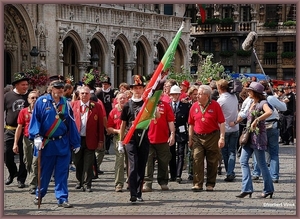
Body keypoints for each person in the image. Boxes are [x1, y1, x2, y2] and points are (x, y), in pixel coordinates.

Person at [29, 75, 81, 208]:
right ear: (51, 89)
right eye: (57, 87)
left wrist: (76, 142)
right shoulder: (42, 101)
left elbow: (71, 123)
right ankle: (39, 193)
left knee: (62, 172)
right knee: (44, 171)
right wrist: (36, 136)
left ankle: (62, 198)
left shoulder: (66, 103)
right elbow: (36, 119)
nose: (59, 90)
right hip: (47, 143)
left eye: (61, 88)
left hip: (62, 142)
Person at [119, 74, 158, 203]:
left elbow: (156, 117)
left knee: (141, 165)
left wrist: (154, 105)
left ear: (143, 89)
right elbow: (123, 124)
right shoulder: (127, 105)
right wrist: (121, 141)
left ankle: (139, 192)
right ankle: (133, 192)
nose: (137, 90)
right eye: (135, 87)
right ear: (132, 89)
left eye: (140, 87)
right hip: (130, 137)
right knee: (133, 165)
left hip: (144, 136)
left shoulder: (147, 104)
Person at [234, 82, 274, 199]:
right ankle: (247, 189)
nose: (248, 92)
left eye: (250, 90)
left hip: (258, 137)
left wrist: (257, 119)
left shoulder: (263, 102)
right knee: (243, 161)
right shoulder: (252, 102)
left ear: (255, 92)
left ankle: (268, 189)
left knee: (261, 164)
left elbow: (269, 112)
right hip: (248, 137)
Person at [188, 84, 225, 192]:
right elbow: (191, 124)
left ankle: (210, 183)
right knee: (197, 158)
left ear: (207, 96)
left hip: (212, 136)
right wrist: (190, 139)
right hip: (198, 137)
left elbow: (222, 122)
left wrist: (222, 137)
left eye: (200, 94)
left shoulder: (215, 105)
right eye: (197, 94)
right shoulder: (194, 106)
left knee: (212, 161)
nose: (197, 96)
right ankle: (197, 184)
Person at [251, 81, 287, 183]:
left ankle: (256, 173)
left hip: (260, 126)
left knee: (257, 149)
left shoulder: (254, 99)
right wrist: (280, 101)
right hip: (272, 126)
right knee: (273, 152)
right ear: (267, 88)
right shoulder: (270, 98)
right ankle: (274, 176)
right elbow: (284, 108)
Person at [70, 86, 104, 192]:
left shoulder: (96, 106)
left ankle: (87, 183)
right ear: (79, 95)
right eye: (82, 93)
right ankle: (79, 181)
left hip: (90, 139)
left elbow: (100, 125)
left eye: (86, 93)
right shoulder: (72, 105)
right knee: (77, 161)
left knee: (88, 163)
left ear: (90, 95)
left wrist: (100, 140)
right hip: (77, 139)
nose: (84, 95)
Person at [143, 99, 175, 191]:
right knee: (148, 162)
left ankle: (163, 182)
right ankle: (148, 183)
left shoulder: (166, 105)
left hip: (163, 138)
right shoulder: (146, 105)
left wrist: (172, 134)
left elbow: (170, 121)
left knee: (164, 161)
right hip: (148, 138)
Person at [4, 72, 29, 189]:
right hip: (10, 130)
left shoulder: (29, 97)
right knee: (6, 153)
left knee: (24, 156)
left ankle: (21, 179)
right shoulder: (7, 96)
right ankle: (13, 171)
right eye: (23, 85)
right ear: (16, 85)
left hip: (25, 130)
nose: (25, 87)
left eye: (26, 84)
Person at [13, 90, 39, 194]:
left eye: (36, 98)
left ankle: (33, 184)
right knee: (27, 162)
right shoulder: (23, 112)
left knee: (35, 162)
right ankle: (33, 177)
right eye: (32, 98)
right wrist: (15, 143)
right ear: (28, 100)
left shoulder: (42, 111)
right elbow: (19, 127)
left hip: (39, 139)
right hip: (27, 139)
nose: (34, 100)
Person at [216, 79, 239, 182]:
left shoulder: (220, 100)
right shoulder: (234, 97)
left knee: (225, 152)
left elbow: (216, 114)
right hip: (235, 127)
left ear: (219, 88)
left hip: (224, 128)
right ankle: (230, 172)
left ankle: (229, 172)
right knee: (232, 152)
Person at [107, 92, 128, 192]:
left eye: (124, 98)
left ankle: (130, 181)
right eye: (120, 99)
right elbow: (108, 127)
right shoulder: (113, 112)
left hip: (129, 138)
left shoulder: (130, 110)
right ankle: (119, 184)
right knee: (120, 161)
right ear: (117, 100)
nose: (122, 100)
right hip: (118, 138)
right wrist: (117, 131)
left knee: (130, 161)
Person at [169, 85, 190, 183]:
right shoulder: (167, 105)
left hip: (181, 132)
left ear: (179, 95)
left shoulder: (185, 106)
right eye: (172, 94)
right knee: (171, 153)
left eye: (176, 94)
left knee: (181, 154)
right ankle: (173, 174)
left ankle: (178, 175)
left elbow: (188, 121)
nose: (174, 96)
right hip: (170, 132)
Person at [96, 76, 115, 154]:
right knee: (101, 130)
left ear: (109, 85)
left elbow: (113, 101)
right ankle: (101, 146)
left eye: (106, 84)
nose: (104, 85)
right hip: (101, 113)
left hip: (109, 113)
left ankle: (107, 147)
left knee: (108, 130)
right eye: (103, 84)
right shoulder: (99, 92)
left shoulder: (111, 92)